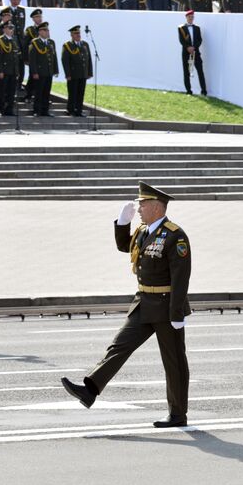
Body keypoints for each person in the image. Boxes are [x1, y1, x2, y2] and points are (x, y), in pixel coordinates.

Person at [61, 183, 192, 428]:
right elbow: (125, 247)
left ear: (155, 206)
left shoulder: (175, 235)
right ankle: (90, 390)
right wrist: (122, 223)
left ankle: (177, 414)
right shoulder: (143, 231)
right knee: (119, 346)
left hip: (165, 306)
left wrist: (177, 313)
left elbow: (180, 277)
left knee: (173, 361)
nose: (139, 208)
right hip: (143, 302)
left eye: (142, 204)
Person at [25, 22, 57, 116]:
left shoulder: (51, 42)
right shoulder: (35, 42)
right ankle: (36, 110)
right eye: (45, 30)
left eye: (48, 30)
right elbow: (32, 59)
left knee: (46, 92)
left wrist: (55, 70)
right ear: (40, 32)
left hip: (48, 71)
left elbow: (53, 57)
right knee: (38, 92)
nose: (47, 32)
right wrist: (34, 72)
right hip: (39, 71)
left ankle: (45, 110)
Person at [61, 25, 94, 117]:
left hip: (83, 73)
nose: (78, 35)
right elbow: (65, 61)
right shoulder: (68, 45)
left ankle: (79, 110)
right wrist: (67, 74)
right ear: (71, 35)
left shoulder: (85, 44)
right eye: (76, 33)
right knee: (72, 93)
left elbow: (89, 59)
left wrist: (89, 72)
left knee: (81, 93)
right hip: (73, 73)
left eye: (79, 33)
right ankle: (70, 110)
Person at [0, 21, 20, 116]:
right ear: (4, 29)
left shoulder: (14, 40)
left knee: (11, 92)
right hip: (4, 70)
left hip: (13, 70)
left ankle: (9, 109)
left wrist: (17, 71)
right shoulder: (0, 40)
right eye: (9, 28)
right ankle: (0, 109)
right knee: (2, 92)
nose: (11, 30)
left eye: (12, 28)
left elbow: (16, 57)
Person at [177, 10, 207, 96]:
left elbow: (199, 40)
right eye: (189, 17)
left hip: (196, 52)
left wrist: (194, 47)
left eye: (192, 17)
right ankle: (188, 91)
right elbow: (181, 40)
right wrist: (188, 47)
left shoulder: (197, 28)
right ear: (186, 17)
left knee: (200, 71)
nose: (191, 18)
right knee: (186, 72)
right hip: (186, 53)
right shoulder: (181, 28)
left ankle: (204, 91)